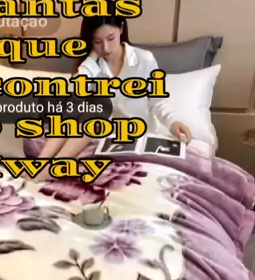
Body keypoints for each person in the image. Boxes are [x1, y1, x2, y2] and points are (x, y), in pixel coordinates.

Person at [37, 15, 192, 168]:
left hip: (140, 141)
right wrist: (90, 62)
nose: (105, 48)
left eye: (110, 38)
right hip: (103, 142)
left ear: (121, 28)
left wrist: (173, 122)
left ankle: (48, 169)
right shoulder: (91, 67)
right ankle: (41, 165)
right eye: (97, 41)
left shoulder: (144, 60)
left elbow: (156, 102)